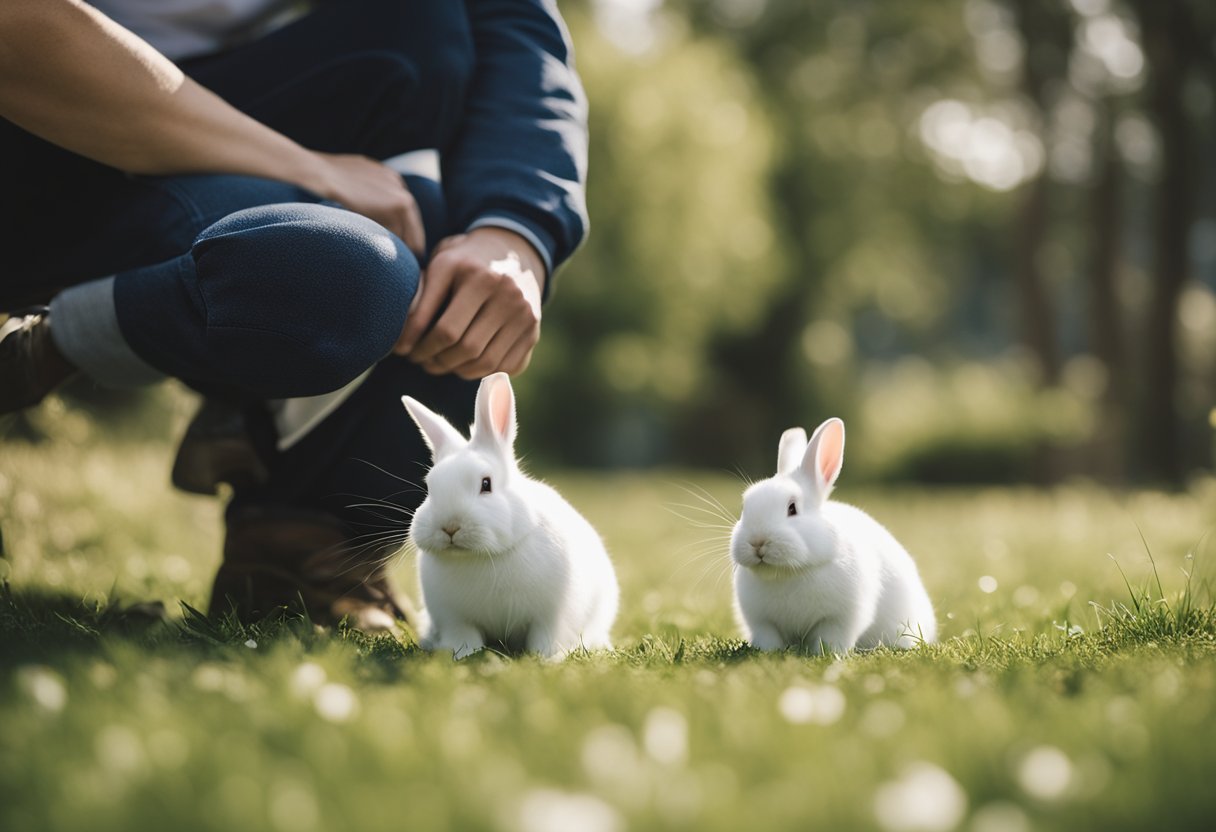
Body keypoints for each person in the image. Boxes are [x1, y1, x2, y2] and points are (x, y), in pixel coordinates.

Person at [0, 0, 588, 630]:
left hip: (234, 120)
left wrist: (515, 230)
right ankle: (43, 344)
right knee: (337, 269)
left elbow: (508, 23)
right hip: (39, 140)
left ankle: (302, 535)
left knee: (417, 43)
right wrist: (309, 170)